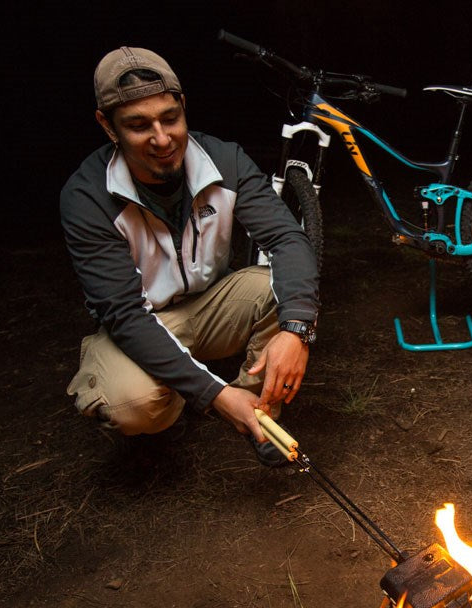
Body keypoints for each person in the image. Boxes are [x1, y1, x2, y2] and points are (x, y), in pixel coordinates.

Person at [60, 46, 320, 465]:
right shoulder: (87, 196)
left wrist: (297, 329)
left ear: (184, 106)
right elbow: (125, 314)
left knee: (285, 293)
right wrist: (212, 394)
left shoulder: (225, 161)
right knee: (137, 404)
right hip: (140, 321)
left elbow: (287, 239)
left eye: (170, 118)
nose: (162, 139)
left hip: (211, 302)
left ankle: (259, 414)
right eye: (139, 125)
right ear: (107, 126)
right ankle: (194, 391)